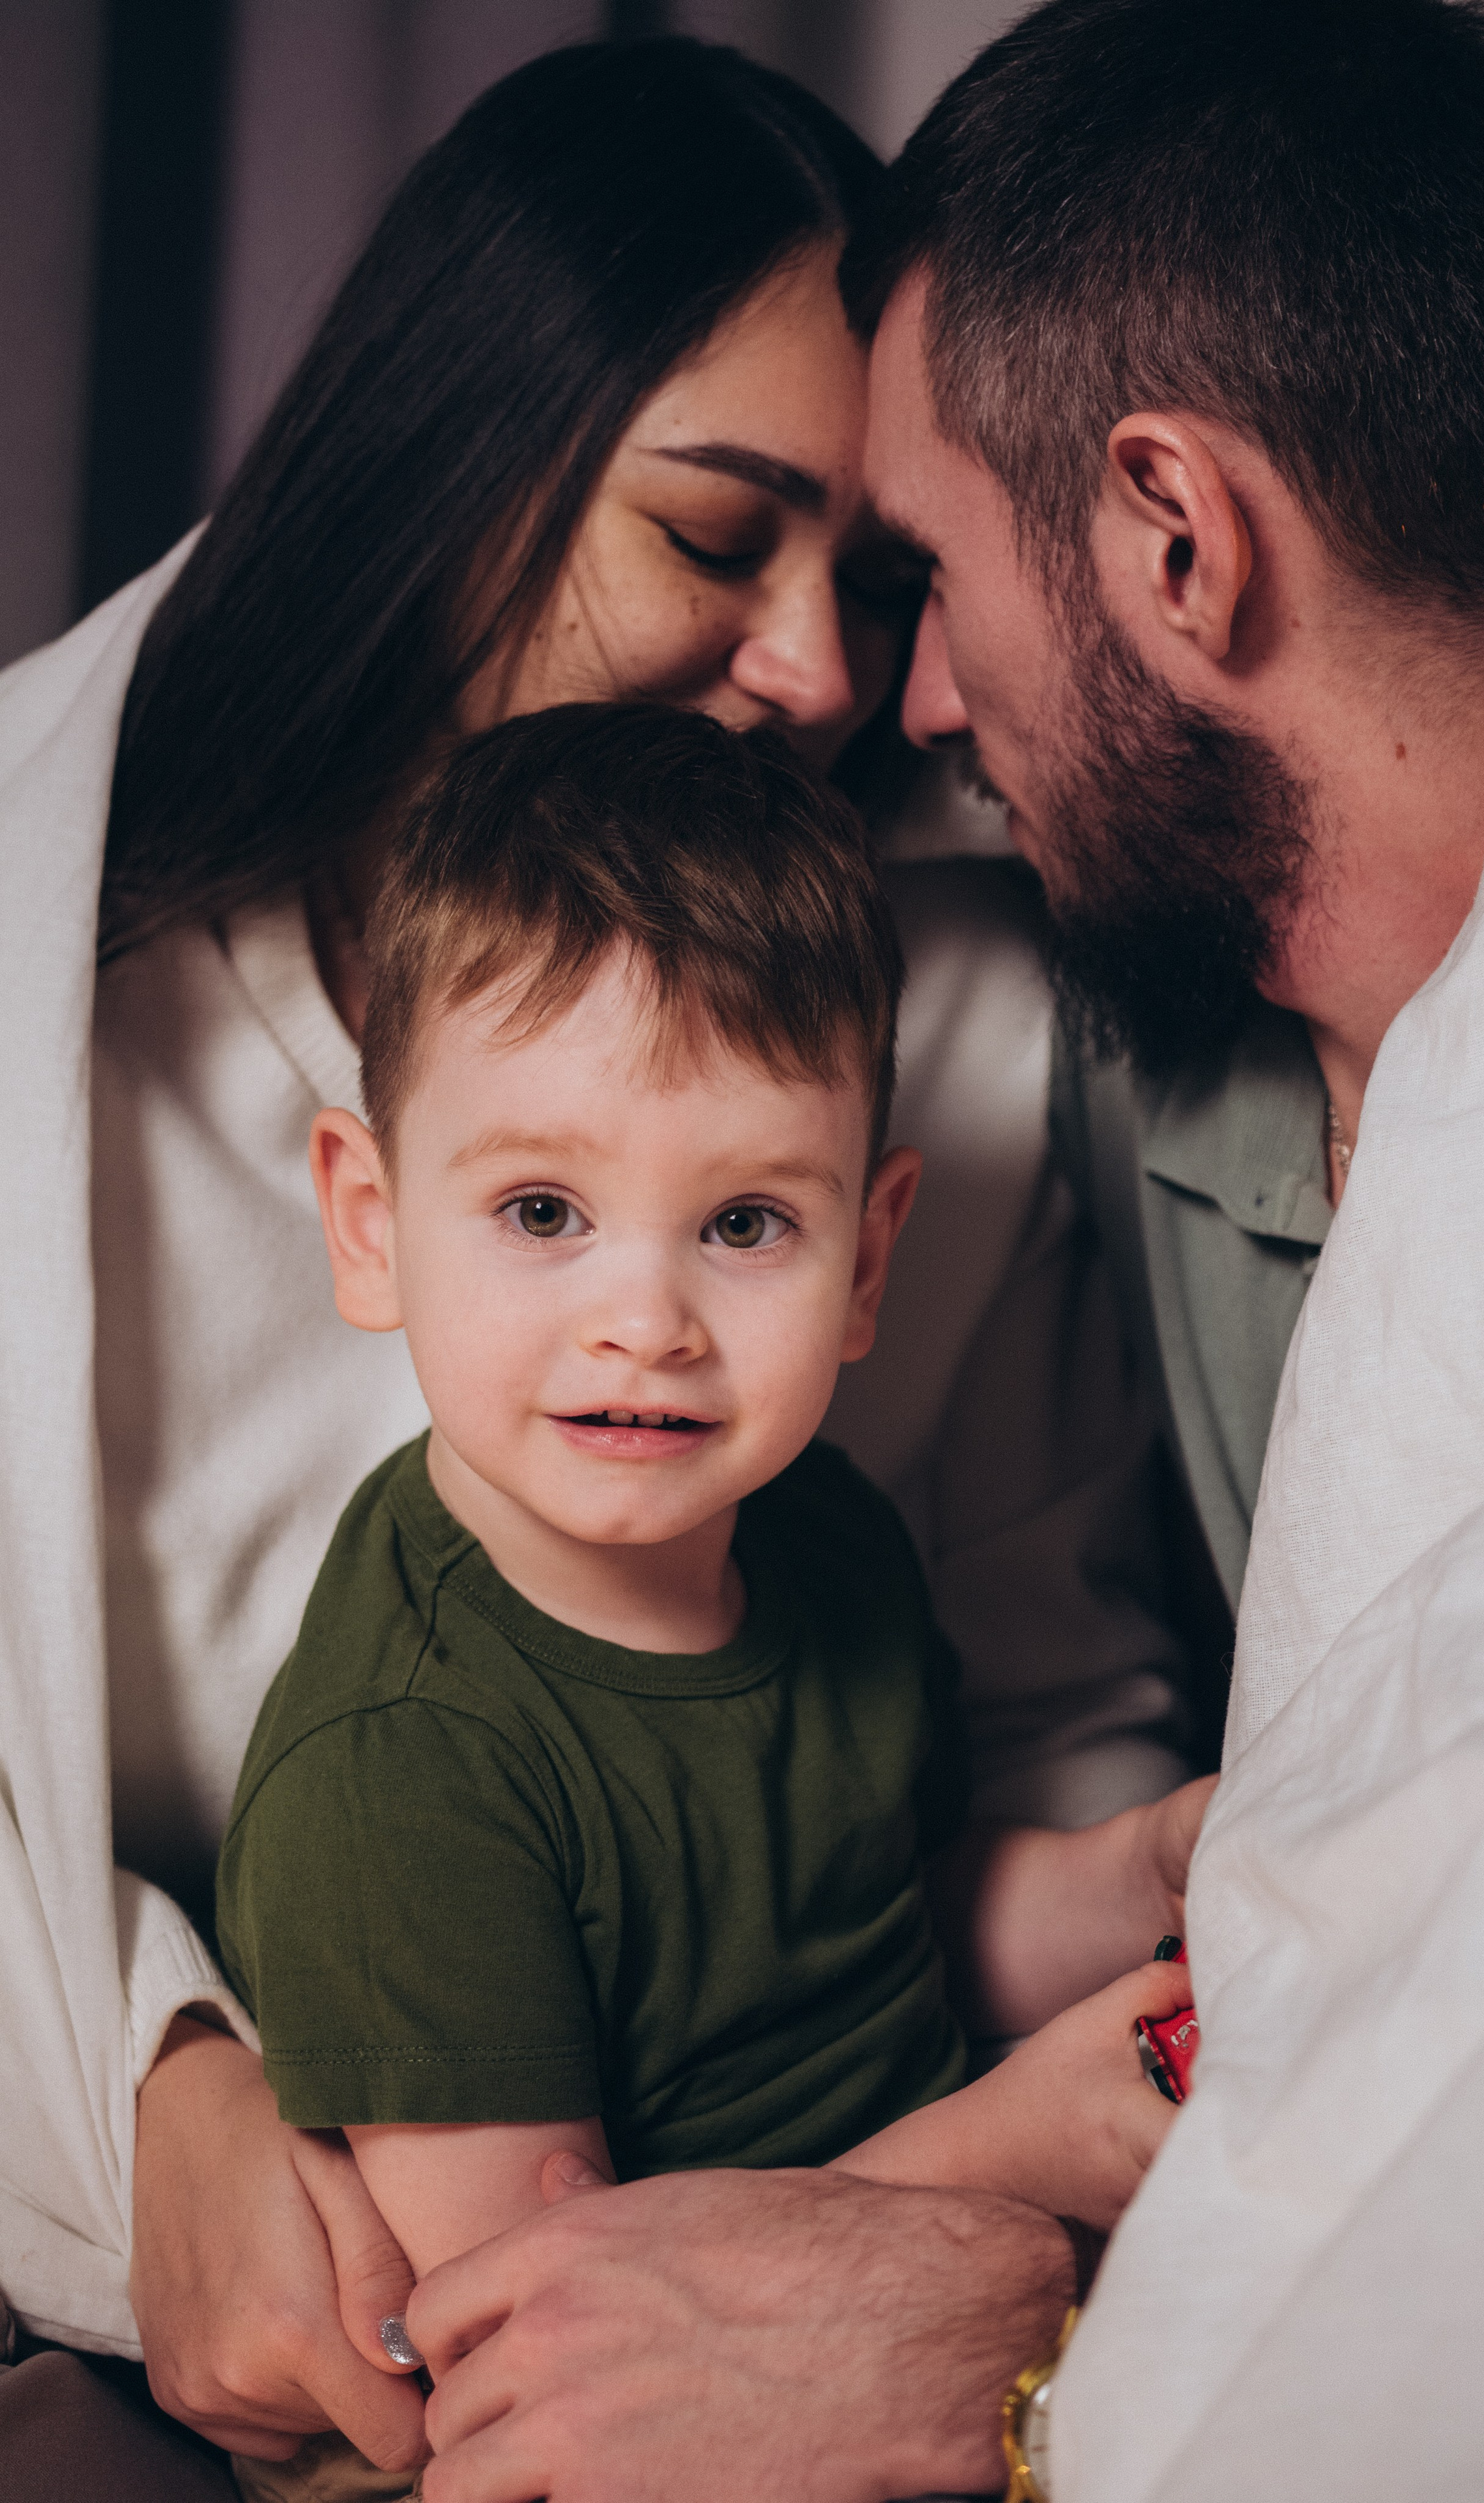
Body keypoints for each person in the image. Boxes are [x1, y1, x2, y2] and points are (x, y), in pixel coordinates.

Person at [391, 3, 1484, 2496]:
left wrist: (1005, 2367)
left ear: (1177, 537)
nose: (913, 699)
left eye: (939, 576)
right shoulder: (1111, 1010)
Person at [0, 35, 1202, 2495]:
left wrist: (1129, 1960)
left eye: (874, 580)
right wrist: (151, 2095)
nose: (828, 678)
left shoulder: (942, 1030)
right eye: (716, 536)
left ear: (853, 1248)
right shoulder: (74, 1029)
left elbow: (1001, 1757)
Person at [218, 701, 1204, 2502]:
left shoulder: (819, 1533)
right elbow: (573, 2340)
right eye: (540, 1211)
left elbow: (900, 1919)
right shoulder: (403, 1772)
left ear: (868, 1258)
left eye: (744, 1224)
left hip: (895, 2323)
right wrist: (1014, 2144)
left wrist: (1140, 1875)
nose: (647, 1321)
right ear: (369, 1223)